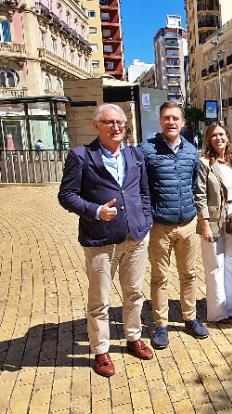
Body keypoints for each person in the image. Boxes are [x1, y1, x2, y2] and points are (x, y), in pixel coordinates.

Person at [58, 104, 154, 377]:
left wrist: (145, 221)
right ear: (96, 126)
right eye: (109, 122)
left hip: (135, 237)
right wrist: (97, 211)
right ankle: (101, 350)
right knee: (100, 300)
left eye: (120, 123)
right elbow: (67, 196)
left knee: (134, 293)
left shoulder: (134, 155)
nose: (116, 127)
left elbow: (143, 192)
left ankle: (133, 337)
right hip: (100, 240)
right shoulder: (80, 156)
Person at [140, 102, 208, 350]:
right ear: (160, 121)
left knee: (188, 275)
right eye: (166, 118)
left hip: (188, 224)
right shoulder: (147, 150)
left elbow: (194, 186)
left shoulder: (191, 151)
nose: (171, 122)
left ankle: (189, 318)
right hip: (160, 226)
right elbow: (142, 188)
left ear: (182, 122)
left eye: (175, 118)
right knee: (159, 277)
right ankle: (161, 324)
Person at [195, 122, 232, 323]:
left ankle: (231, 308)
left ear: (227, 137)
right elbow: (199, 194)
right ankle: (217, 313)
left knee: (231, 263)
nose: (219, 138)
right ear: (209, 139)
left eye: (222, 134)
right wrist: (204, 223)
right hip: (214, 219)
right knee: (214, 265)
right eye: (214, 135)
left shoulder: (231, 161)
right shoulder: (205, 163)